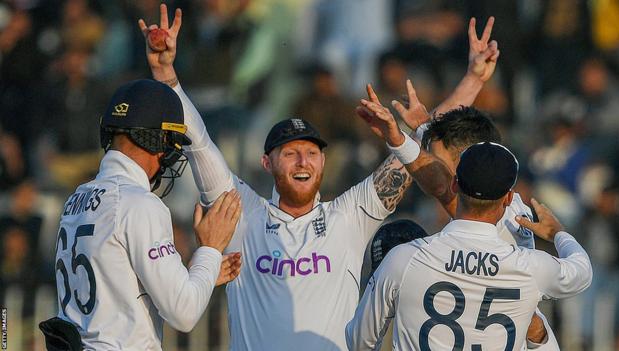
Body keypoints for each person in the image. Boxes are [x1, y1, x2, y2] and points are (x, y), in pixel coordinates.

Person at [138, 5, 499, 350]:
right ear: (267, 162)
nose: (302, 161)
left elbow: (416, 148)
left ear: (323, 162)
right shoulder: (242, 214)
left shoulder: (349, 216)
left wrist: (472, 80)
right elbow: (198, 143)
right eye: (290, 152)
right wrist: (166, 75)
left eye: (311, 153)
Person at [39, 79, 242, 350]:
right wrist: (211, 248)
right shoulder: (140, 203)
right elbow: (184, 313)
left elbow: (118, 287)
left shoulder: (77, 197)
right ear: (155, 139)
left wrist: (197, 275)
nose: (169, 154)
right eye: (170, 143)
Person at [357, 84, 560, 349]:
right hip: (518, 332)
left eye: (436, 159)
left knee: (396, 242)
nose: (428, 161)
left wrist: (398, 140)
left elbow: (441, 185)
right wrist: (423, 128)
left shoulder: (494, 216)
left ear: (470, 164)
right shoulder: (506, 206)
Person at [346, 142, 592, 350]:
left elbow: (359, 341)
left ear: (455, 185)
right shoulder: (528, 267)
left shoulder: (404, 258)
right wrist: (558, 233)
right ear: (507, 198)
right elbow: (582, 272)